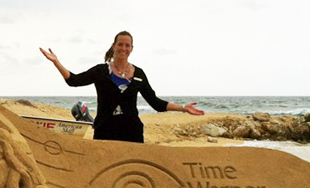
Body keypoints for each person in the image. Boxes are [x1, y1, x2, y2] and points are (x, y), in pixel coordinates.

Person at [39, 32, 204, 143]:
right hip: (105, 131)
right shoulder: (100, 71)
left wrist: (183, 108)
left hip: (132, 132)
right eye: (120, 44)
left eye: (127, 45)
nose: (123, 48)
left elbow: (155, 103)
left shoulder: (139, 73)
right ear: (114, 46)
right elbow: (73, 80)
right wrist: (56, 62)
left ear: (131, 49)